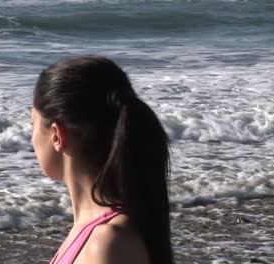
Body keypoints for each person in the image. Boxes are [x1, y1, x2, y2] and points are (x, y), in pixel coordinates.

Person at [31, 55, 173, 264]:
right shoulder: (92, 233)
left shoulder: (107, 244)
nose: (32, 139)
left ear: (56, 135)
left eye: (32, 123)